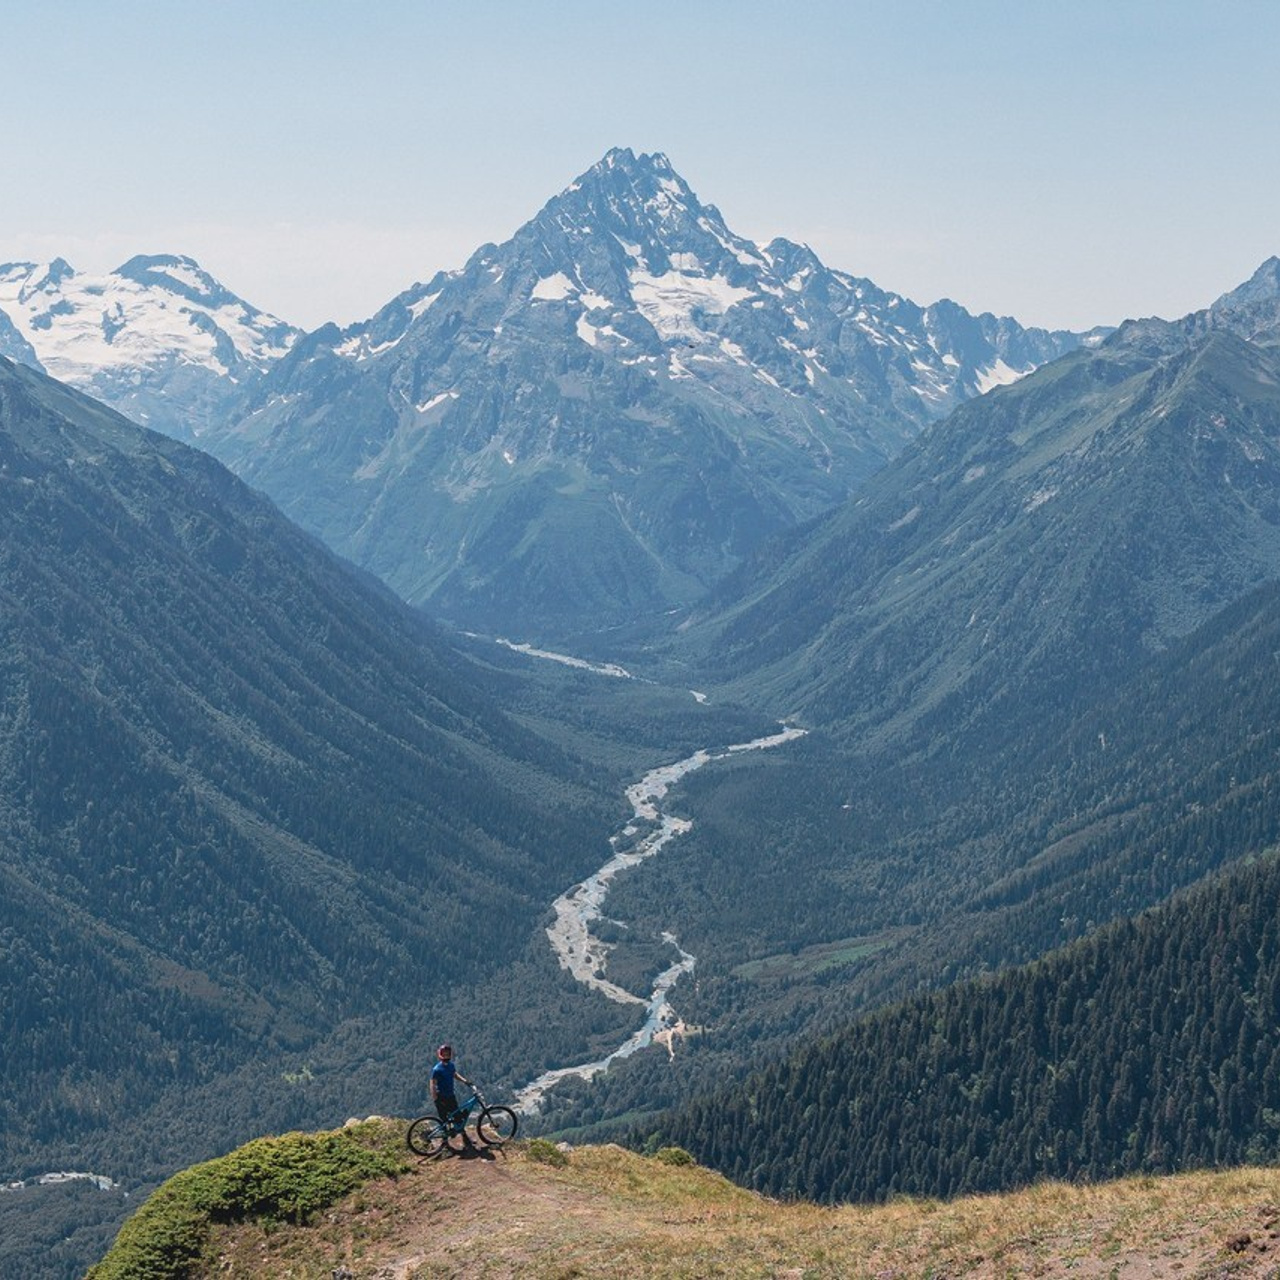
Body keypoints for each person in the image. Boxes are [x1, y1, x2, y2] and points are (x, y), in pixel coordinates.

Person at [430, 1043, 471, 1124]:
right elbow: (432, 1084)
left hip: (450, 1095)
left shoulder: (451, 1066)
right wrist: (435, 1097)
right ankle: (444, 1134)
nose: (446, 1056)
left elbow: (454, 1074)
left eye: (447, 1054)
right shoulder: (437, 1069)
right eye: (444, 1054)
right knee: (444, 1119)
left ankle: (463, 1134)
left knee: (457, 1117)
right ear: (440, 1055)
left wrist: (465, 1081)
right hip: (441, 1097)